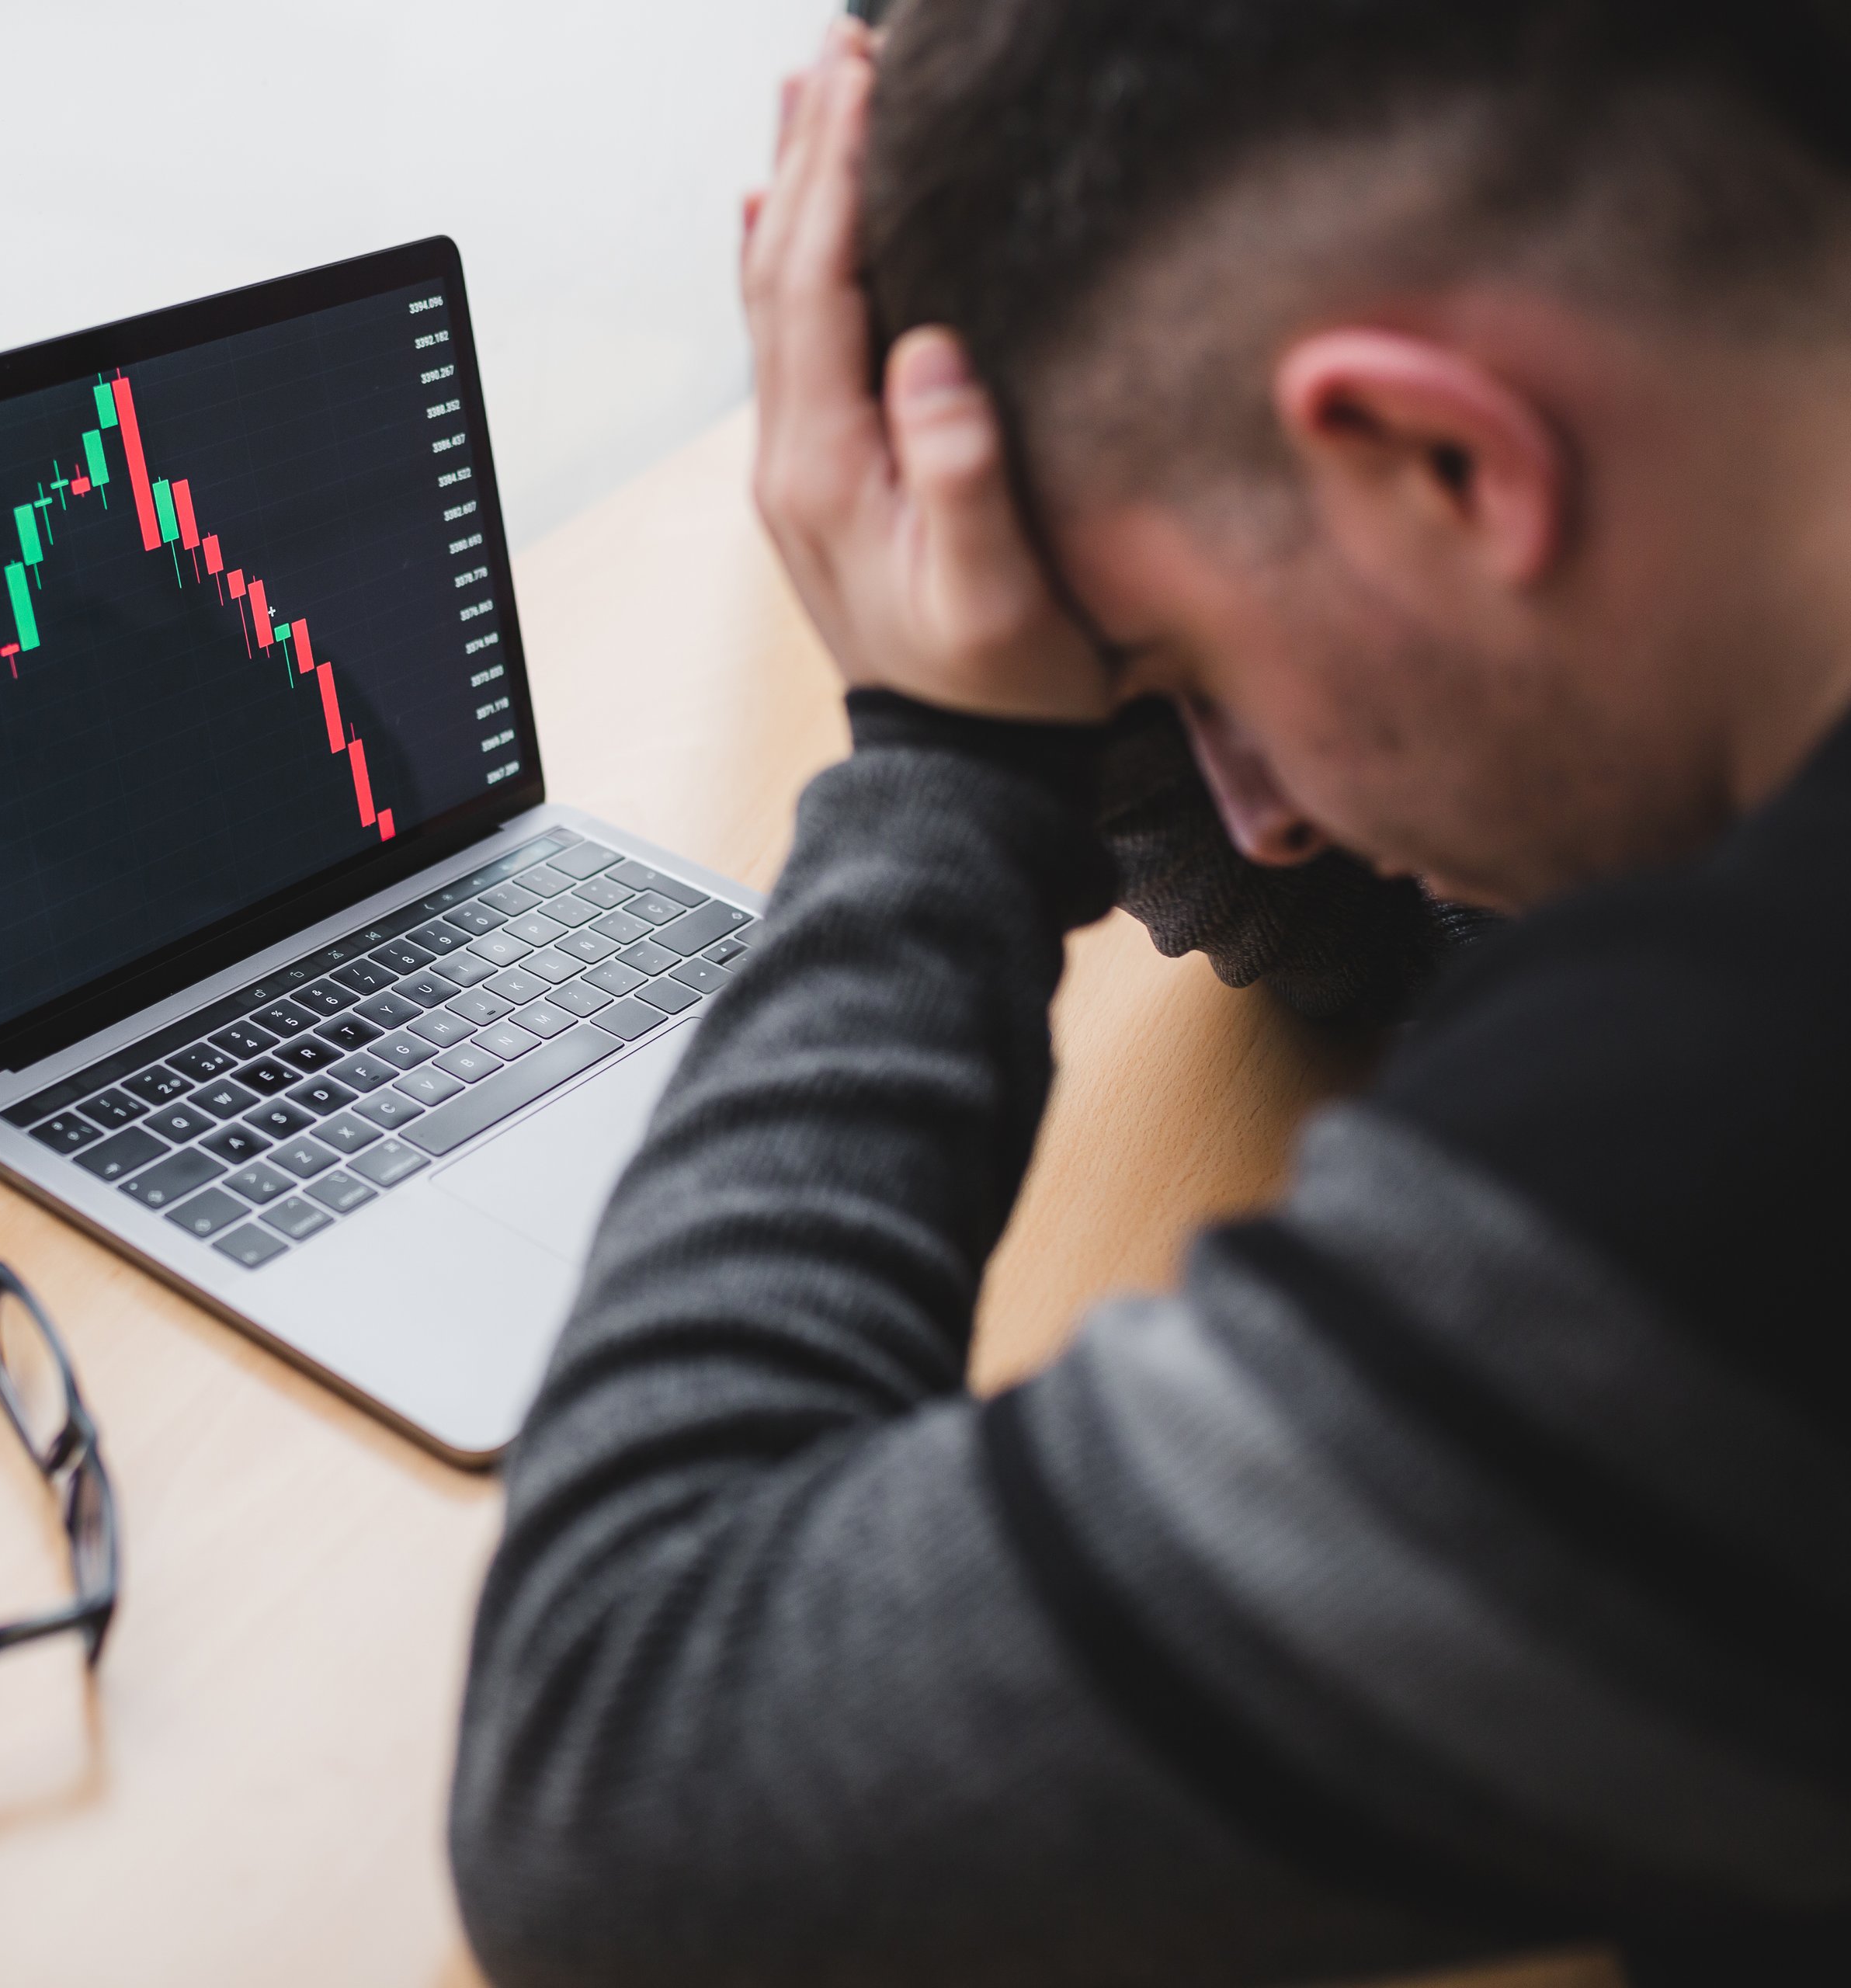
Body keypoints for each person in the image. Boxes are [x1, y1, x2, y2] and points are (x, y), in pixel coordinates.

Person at [447, 3, 1851, 1984]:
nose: (1261, 820)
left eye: (1187, 672)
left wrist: (946, 759)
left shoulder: (1745, 1148)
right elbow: (1398, 938)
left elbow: (615, 1764)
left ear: (1441, 453)